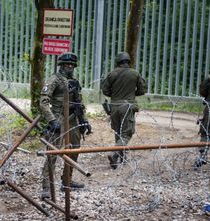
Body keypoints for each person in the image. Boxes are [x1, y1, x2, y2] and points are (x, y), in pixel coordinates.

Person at [39, 52, 92, 199]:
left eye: (72, 65)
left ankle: (67, 181)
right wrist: (51, 120)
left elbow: (80, 104)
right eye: (67, 64)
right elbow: (43, 101)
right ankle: (46, 186)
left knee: (74, 150)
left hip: (74, 118)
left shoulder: (74, 81)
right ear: (61, 65)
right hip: (58, 118)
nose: (69, 67)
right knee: (53, 153)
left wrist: (84, 121)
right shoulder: (54, 80)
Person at [101, 52, 146, 169]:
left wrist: (115, 94)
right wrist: (131, 93)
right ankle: (115, 154)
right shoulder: (135, 74)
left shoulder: (112, 74)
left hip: (114, 106)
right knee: (127, 133)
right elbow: (142, 90)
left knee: (118, 131)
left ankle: (122, 157)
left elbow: (105, 91)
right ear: (128, 61)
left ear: (118, 62)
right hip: (127, 106)